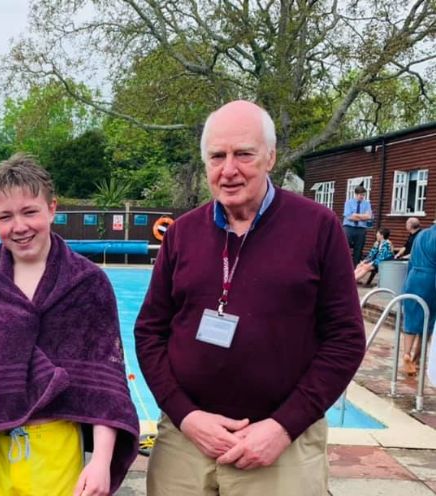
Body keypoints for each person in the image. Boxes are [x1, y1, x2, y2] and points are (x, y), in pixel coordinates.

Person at [134, 100, 366, 496]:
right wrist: (186, 416)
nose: (229, 170)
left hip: (280, 445)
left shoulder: (318, 228)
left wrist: (283, 426)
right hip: (187, 442)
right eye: (217, 156)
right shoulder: (182, 234)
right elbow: (149, 332)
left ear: (271, 157)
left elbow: (345, 340)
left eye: (243, 154)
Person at [0, 154, 139, 496]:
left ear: (52, 208)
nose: (19, 227)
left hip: (55, 446)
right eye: (5, 216)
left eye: (30, 211)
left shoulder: (88, 285)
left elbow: (105, 386)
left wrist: (100, 462)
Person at [400, 222, 436, 377]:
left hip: (413, 277)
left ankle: (406, 354)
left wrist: (406, 282)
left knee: (410, 318)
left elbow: (411, 260)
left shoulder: (421, 234)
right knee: (427, 321)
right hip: (430, 280)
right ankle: (416, 359)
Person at [343, 185, 374, 267]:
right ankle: (344, 267)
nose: (362, 197)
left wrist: (356, 215)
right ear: (356, 194)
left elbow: (369, 216)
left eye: (363, 195)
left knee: (358, 250)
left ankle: (355, 270)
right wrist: (363, 216)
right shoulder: (348, 203)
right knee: (345, 248)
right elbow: (349, 217)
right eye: (361, 195)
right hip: (349, 228)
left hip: (361, 229)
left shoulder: (367, 204)